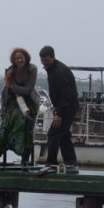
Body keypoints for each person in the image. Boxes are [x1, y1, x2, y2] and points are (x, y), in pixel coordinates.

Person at [0, 47, 39, 171]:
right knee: (5, 127)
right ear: (13, 60)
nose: (19, 60)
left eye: (21, 57)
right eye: (17, 58)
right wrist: (2, 110)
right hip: (12, 104)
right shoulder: (10, 71)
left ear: (26, 58)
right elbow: (5, 91)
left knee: (27, 130)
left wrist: (13, 87)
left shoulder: (32, 69)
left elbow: (28, 89)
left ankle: (25, 160)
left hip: (29, 104)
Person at [37, 46, 79, 175]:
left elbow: (66, 94)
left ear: (53, 57)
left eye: (47, 60)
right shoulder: (53, 69)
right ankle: (71, 164)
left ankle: (51, 165)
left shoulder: (59, 71)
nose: (44, 63)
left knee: (53, 134)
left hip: (67, 106)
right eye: (42, 61)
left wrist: (59, 114)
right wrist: (56, 109)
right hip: (65, 106)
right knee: (64, 134)